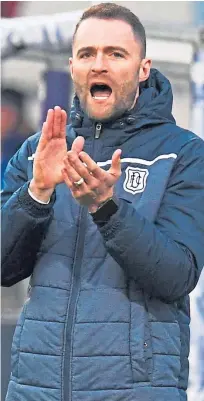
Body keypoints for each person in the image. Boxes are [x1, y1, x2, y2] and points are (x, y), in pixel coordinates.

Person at [2, 3, 204, 401]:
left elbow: (178, 274)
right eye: (87, 54)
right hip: (35, 388)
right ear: (73, 66)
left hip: (135, 390)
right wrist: (36, 194)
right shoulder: (36, 152)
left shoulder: (183, 154)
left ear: (143, 68)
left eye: (115, 53)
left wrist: (107, 210)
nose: (99, 64)